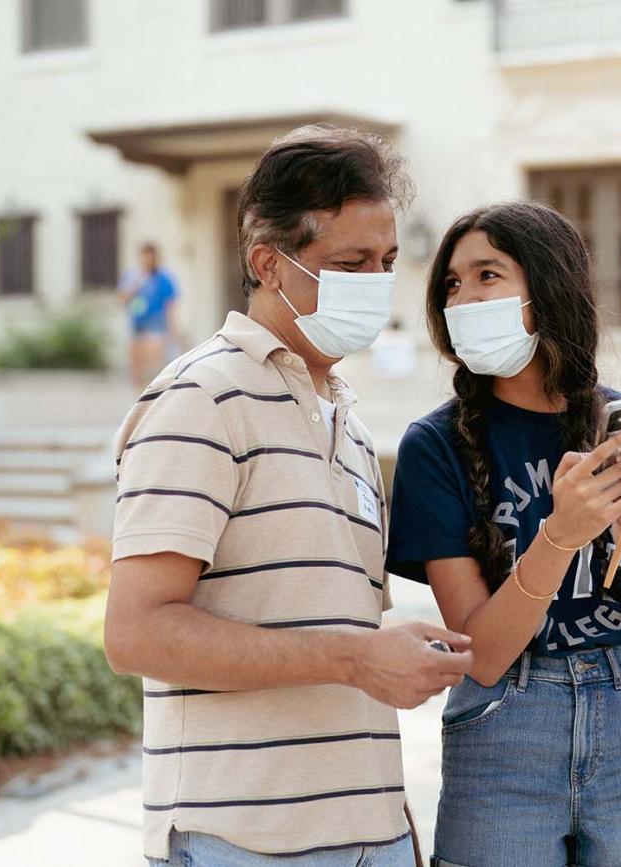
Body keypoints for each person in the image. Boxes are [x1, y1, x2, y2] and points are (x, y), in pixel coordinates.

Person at [104, 125, 473, 867]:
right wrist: (354, 659)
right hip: (244, 842)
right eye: (350, 262)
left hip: (375, 835)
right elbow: (135, 633)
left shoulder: (351, 419)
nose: (375, 281)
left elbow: (336, 628)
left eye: (387, 262)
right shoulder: (199, 400)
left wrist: (394, 657)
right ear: (268, 263)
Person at [386, 202, 621, 867]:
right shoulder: (433, 447)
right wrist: (560, 534)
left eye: (488, 275)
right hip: (501, 727)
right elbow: (481, 655)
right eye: (453, 284)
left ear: (546, 290)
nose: (464, 297)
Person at [118, 241, 181, 390]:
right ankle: (138, 390)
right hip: (136, 320)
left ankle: (151, 388)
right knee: (135, 357)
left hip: (156, 322)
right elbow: (121, 299)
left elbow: (170, 304)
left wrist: (172, 329)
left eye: (150, 256)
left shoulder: (164, 278)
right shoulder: (132, 276)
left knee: (153, 357)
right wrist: (134, 288)